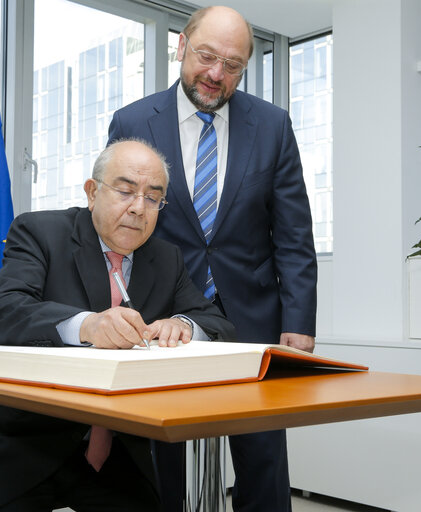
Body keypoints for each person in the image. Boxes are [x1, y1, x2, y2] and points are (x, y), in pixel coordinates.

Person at [107, 6, 317, 512]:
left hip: (253, 317)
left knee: (262, 453)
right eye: (206, 56)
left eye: (233, 65)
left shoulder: (272, 125)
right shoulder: (133, 121)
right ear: (182, 45)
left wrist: (299, 321)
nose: (216, 74)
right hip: (161, 318)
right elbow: (118, 221)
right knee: (163, 452)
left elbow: (293, 234)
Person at [0, 139, 236, 512]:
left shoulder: (165, 258)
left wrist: (182, 324)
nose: (138, 208)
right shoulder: (41, 232)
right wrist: (86, 326)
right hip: (24, 446)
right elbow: (2, 311)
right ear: (92, 192)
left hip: (116, 453)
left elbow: (217, 323)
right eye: (125, 191)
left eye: (153, 198)